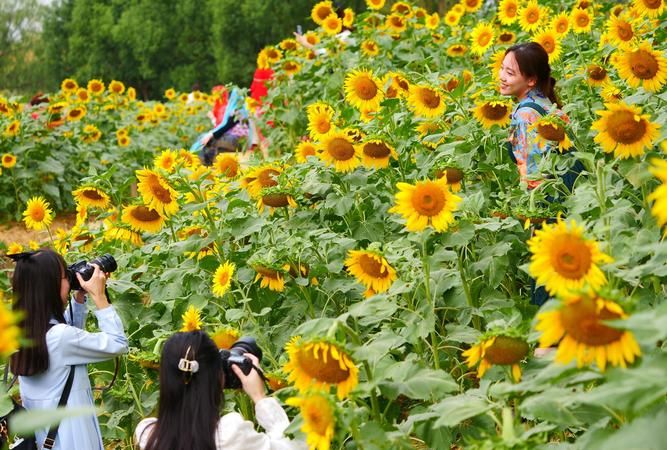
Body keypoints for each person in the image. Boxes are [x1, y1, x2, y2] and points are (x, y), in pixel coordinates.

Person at [8, 249, 129, 450]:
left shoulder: (21, 330)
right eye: (67, 277)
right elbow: (118, 343)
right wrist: (99, 297)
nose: (71, 280)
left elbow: (65, 345)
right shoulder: (61, 338)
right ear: (51, 286)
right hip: (73, 437)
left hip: (44, 437)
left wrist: (79, 297)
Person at [134, 331, 305, 450]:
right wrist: (260, 398)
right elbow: (296, 446)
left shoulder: (147, 434)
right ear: (220, 377)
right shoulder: (230, 436)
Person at [499, 42, 571, 191]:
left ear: (531, 80)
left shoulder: (525, 115)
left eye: (510, 73)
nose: (502, 77)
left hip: (548, 198)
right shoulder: (546, 101)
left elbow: (532, 174)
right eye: (502, 68)